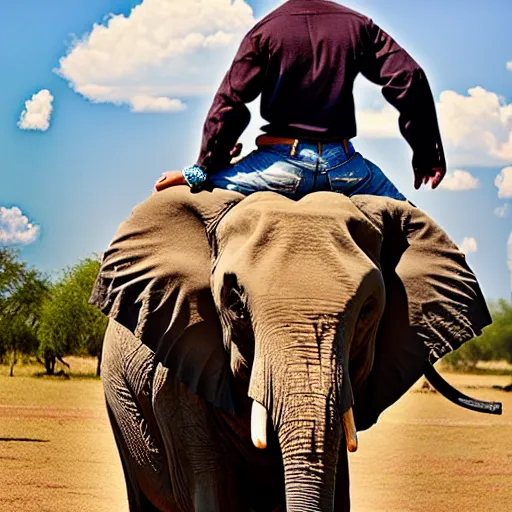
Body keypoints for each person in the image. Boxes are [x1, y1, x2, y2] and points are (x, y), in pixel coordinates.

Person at [154, 0, 446, 200]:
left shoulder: (264, 32)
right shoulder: (359, 26)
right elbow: (409, 77)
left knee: (188, 200)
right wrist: (426, 154)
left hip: (277, 167)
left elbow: (229, 104)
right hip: (347, 170)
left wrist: (204, 168)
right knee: (415, 232)